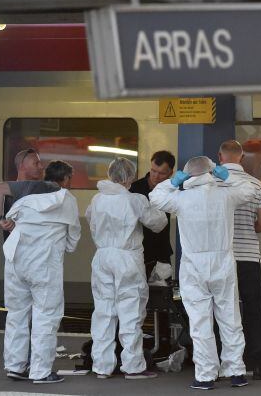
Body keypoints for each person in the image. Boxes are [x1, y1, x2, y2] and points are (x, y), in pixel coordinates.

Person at [150, 156, 256, 390]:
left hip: (193, 266)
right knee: (230, 318)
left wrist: (174, 181)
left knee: (200, 322)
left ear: (189, 175)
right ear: (212, 173)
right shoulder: (226, 194)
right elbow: (251, 191)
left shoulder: (180, 198)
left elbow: (155, 197)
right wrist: (227, 176)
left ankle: (206, 376)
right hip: (223, 262)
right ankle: (236, 371)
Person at [86, 157, 168, 380]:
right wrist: (159, 204)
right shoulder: (136, 200)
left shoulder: (96, 199)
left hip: (102, 256)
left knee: (103, 311)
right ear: (130, 177)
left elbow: (91, 221)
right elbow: (158, 223)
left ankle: (102, 365)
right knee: (130, 310)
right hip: (127, 258)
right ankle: (132, 366)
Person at [1, 160, 80, 384]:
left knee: (16, 313)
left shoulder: (26, 197)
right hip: (44, 264)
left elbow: (11, 221)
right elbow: (73, 236)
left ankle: (15, 366)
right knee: (46, 315)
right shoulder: (67, 199)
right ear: (65, 180)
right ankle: (41, 371)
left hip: (16, 260)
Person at [218, 140, 261, 380]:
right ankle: (259, 364)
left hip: (220, 257)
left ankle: (221, 362)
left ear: (220, 157)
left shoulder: (211, 183)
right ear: (241, 158)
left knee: (220, 311)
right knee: (253, 310)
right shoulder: (255, 184)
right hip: (249, 257)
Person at [0, 149, 60, 237]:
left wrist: (0, 220)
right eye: (36, 164)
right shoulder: (27, 186)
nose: (41, 167)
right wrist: (1, 220)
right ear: (22, 166)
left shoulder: (44, 186)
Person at [129, 150, 176, 279]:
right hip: (139, 251)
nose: (155, 176)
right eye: (153, 171)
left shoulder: (173, 190)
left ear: (171, 173)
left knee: (164, 294)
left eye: (161, 173)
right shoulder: (134, 188)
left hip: (162, 252)